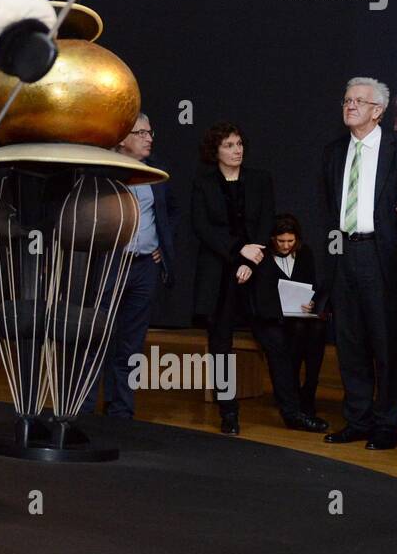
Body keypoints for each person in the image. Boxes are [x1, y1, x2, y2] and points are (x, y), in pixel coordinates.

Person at [319, 77, 397, 451]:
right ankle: (358, 419)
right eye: (347, 100)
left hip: (384, 258)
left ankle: (388, 422)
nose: (349, 106)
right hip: (343, 254)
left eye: (359, 101)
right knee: (349, 343)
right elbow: (326, 211)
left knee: (386, 343)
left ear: (378, 111)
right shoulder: (334, 151)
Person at [79, 113, 178, 418]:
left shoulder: (156, 173)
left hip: (144, 268)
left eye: (151, 133)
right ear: (123, 138)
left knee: (132, 342)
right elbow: (82, 213)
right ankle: (81, 407)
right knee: (96, 337)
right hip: (109, 265)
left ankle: (121, 409)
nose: (150, 138)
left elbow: (170, 213)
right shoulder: (101, 172)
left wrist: (161, 246)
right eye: (143, 133)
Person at [190, 122, 275, 435]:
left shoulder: (260, 180)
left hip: (255, 268)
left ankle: (293, 410)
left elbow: (266, 222)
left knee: (274, 339)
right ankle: (229, 413)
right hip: (219, 273)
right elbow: (202, 227)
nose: (236, 150)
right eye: (228, 145)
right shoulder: (203, 183)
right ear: (215, 151)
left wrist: (250, 263)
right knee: (220, 344)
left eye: (239, 144)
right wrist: (240, 252)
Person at [253, 214, 328, 429]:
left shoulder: (305, 254)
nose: (286, 246)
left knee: (317, 329)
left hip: (299, 316)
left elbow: (311, 286)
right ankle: (294, 398)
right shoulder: (263, 256)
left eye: (290, 241)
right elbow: (260, 296)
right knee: (292, 334)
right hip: (271, 318)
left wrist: (311, 303)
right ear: (272, 239)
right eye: (281, 241)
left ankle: (309, 390)